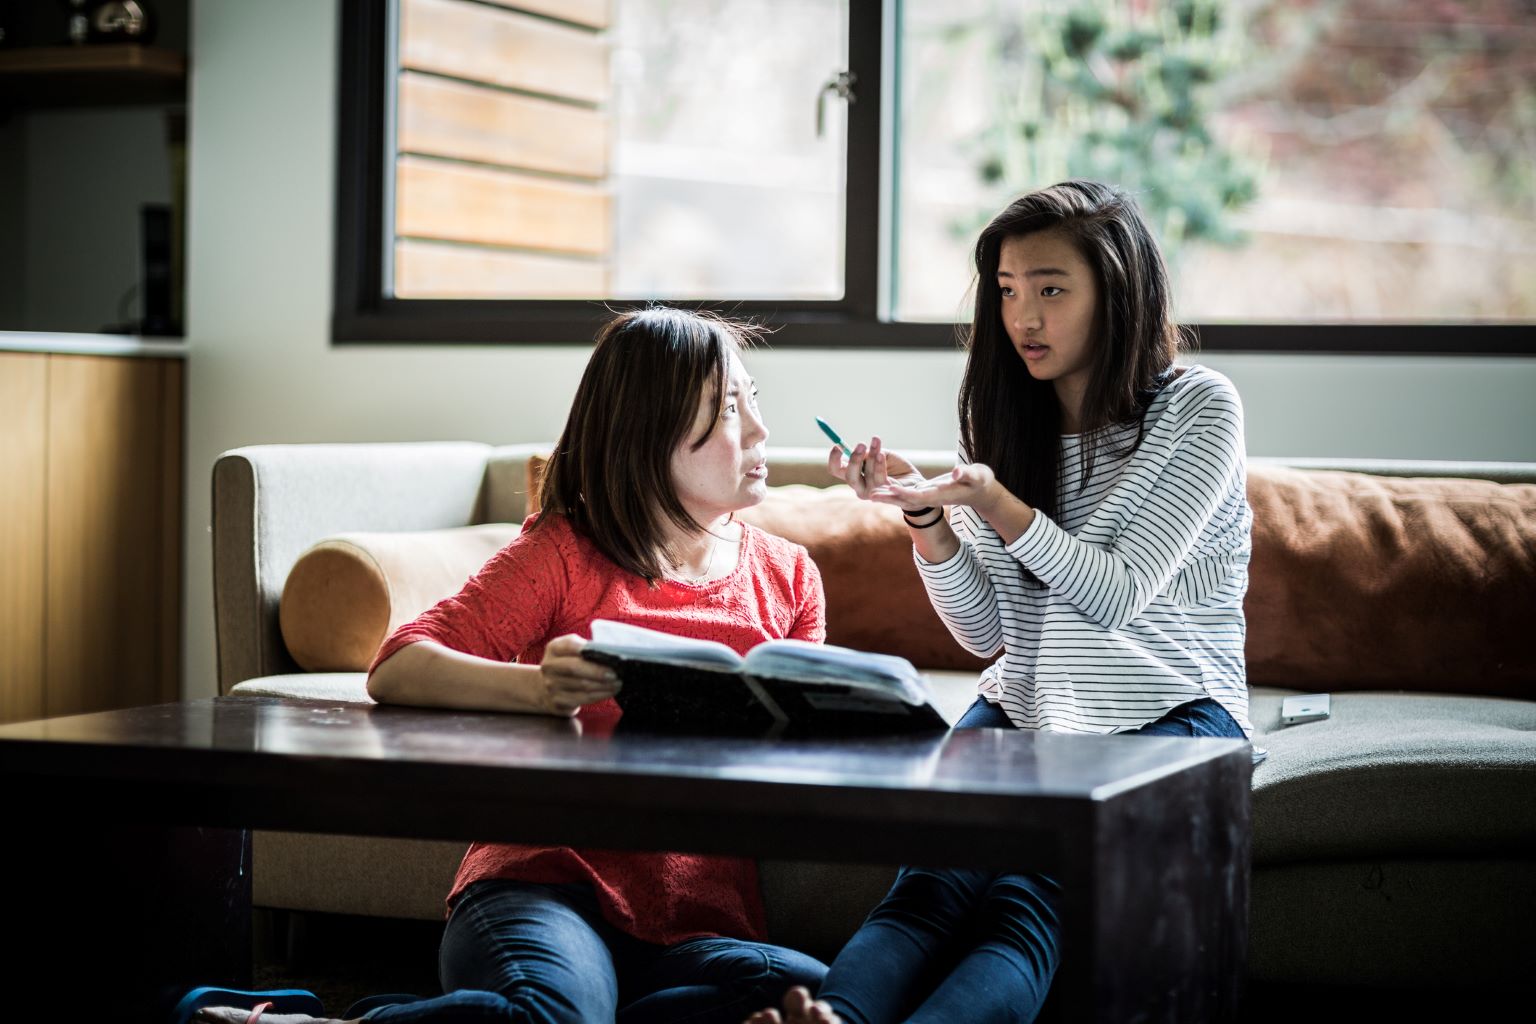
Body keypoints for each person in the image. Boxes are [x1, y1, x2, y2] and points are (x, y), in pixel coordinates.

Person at [188, 307, 827, 1024]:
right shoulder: (564, 552)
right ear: (649, 431)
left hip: (701, 925)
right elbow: (399, 665)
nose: (761, 432)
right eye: (728, 410)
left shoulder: (789, 577)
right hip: (545, 888)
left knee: (838, 1000)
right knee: (553, 1016)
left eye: (753, 401)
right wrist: (539, 691)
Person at [751, 180, 1254, 1024]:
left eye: (1052, 289)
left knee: (1025, 908)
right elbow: (989, 633)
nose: (1025, 316)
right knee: (924, 892)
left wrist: (991, 503)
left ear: (1118, 291)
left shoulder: (1200, 408)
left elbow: (1121, 595)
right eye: (1010, 291)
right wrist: (926, 520)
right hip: (1027, 706)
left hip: (1172, 715)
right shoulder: (1003, 427)